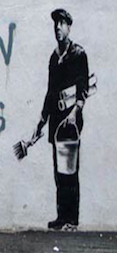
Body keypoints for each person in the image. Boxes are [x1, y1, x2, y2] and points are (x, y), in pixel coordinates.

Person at [34, 8, 89, 231]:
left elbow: (82, 88)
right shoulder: (53, 58)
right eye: (55, 24)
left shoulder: (79, 54)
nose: (58, 27)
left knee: (70, 170)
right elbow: (50, 92)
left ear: (69, 26)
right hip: (56, 119)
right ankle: (61, 216)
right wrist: (41, 121)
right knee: (59, 170)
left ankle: (72, 219)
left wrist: (75, 112)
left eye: (62, 23)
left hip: (71, 119)